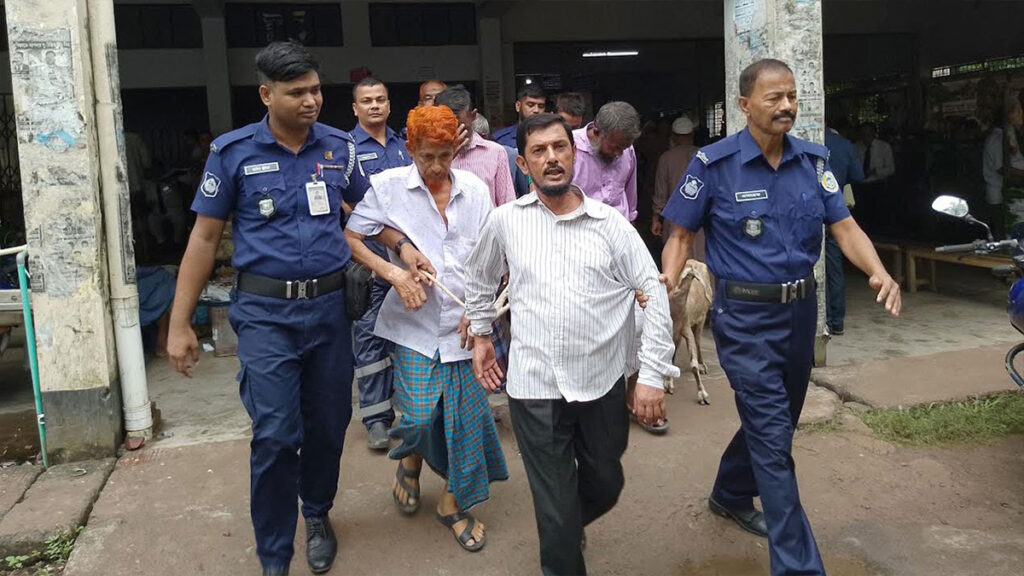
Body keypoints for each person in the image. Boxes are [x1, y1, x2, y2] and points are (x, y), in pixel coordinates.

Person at [660, 58, 901, 576]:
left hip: (799, 314)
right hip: (744, 317)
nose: (787, 106)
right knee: (773, 439)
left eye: (792, 96)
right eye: (774, 97)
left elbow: (845, 228)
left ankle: (730, 491)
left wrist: (879, 271)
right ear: (745, 105)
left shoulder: (814, 163)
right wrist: (667, 284)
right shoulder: (713, 165)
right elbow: (679, 234)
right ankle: (798, 566)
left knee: (778, 422)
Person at [166, 41, 371, 576]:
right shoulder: (232, 152)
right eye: (297, 92)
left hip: (330, 311)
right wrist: (180, 323)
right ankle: (275, 554)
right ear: (266, 94)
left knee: (329, 424)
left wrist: (402, 251)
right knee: (277, 434)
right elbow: (204, 239)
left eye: (316, 90)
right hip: (265, 315)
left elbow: (370, 211)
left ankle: (317, 512)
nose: (311, 101)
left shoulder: (340, 148)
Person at [465, 113, 679, 576]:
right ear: (523, 164)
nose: (552, 158)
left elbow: (652, 291)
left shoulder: (611, 225)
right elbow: (479, 278)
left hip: (600, 382)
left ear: (574, 154)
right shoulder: (505, 222)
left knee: (606, 484)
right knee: (556, 510)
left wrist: (652, 374)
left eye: (560, 147)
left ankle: (563, 525)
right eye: (539, 151)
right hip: (534, 387)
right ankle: (561, 534)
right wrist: (481, 333)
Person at [344, 105, 508, 553]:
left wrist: (479, 311)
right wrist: (395, 271)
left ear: (456, 148)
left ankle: (452, 503)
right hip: (414, 327)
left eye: (444, 156)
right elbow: (353, 236)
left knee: (467, 422)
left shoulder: (475, 190)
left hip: (467, 329)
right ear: (410, 149)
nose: (436, 167)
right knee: (417, 417)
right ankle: (411, 458)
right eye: (426, 157)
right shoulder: (388, 187)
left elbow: (492, 256)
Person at [350, 77, 413, 450]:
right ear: (355, 108)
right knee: (370, 339)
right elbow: (344, 203)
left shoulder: (405, 146)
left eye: (380, 100)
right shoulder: (346, 150)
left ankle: (411, 413)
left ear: (389, 105)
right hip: (370, 260)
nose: (374, 106)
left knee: (409, 338)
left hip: (408, 260)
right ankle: (376, 419)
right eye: (367, 101)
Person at [435, 85, 516, 207]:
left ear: (473, 116)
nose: (454, 130)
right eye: (446, 124)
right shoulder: (429, 156)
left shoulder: (495, 153)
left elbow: (507, 206)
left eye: (458, 124)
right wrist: (445, 158)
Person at [823, 120, 865, 335]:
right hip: (835, 211)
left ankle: (816, 319)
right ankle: (836, 320)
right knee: (834, 267)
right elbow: (858, 176)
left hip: (804, 213)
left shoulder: (795, 142)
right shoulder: (844, 145)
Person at [572, 101, 641, 222]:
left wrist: (631, 220)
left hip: (619, 226)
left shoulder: (627, 149)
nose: (619, 154)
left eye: (623, 148)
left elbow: (630, 191)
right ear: (597, 133)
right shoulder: (569, 147)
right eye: (615, 147)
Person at [652, 116, 700, 251]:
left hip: (674, 218)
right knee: (699, 256)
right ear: (692, 135)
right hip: (700, 218)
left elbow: (661, 193)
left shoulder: (666, 158)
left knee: (676, 256)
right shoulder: (704, 155)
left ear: (673, 136)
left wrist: (656, 219)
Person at [983, 95, 1024, 239]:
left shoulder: (1009, 136)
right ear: (1008, 115)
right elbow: (1002, 169)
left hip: (1010, 193)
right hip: (999, 196)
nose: (1021, 114)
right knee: (1004, 235)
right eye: (1018, 111)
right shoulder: (997, 138)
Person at [853, 121, 895, 233]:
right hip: (860, 184)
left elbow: (891, 168)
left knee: (877, 212)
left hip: (877, 184)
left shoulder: (884, 147)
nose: (866, 138)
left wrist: (876, 171)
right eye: (863, 134)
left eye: (868, 134)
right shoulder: (856, 147)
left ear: (874, 133)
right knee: (861, 213)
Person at [492, 83, 547, 149]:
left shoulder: (551, 136)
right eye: (530, 105)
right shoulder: (500, 139)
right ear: (518, 106)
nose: (536, 110)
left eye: (541, 106)